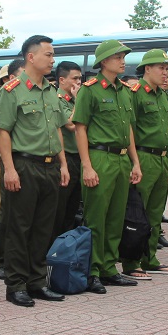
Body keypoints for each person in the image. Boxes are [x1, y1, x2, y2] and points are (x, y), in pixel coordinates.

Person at [0, 35, 69, 307]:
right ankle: (16, 285)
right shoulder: (12, 90)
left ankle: (36, 282)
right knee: (19, 227)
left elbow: (56, 130)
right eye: (48, 55)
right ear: (31, 57)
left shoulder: (50, 91)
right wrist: (10, 170)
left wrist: (62, 163)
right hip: (24, 165)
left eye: (52, 55)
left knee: (42, 228)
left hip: (49, 166)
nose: (52, 59)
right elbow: (3, 131)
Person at [73, 39, 142, 293]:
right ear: (104, 61)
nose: (123, 60)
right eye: (117, 56)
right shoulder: (90, 90)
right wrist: (87, 166)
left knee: (115, 217)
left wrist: (135, 162)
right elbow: (80, 128)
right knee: (96, 218)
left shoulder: (124, 91)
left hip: (122, 159)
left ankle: (109, 268)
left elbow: (129, 130)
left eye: (123, 56)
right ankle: (91, 272)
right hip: (99, 157)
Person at [122, 48, 168, 279]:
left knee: (155, 214)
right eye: (161, 68)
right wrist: (135, 162)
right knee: (138, 214)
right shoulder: (135, 93)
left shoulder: (164, 96)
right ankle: (131, 262)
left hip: (162, 159)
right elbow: (129, 129)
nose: (166, 73)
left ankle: (149, 258)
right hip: (143, 157)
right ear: (147, 69)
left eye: (167, 69)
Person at [0, 58, 24, 274]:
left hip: (26, 161)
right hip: (5, 160)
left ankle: (13, 258)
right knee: (3, 212)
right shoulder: (3, 97)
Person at [52, 61, 83, 239]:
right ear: (62, 80)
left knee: (73, 206)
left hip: (79, 157)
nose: (78, 82)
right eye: (74, 78)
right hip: (65, 158)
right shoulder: (58, 100)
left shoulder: (72, 100)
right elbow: (71, 124)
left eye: (80, 78)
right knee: (61, 207)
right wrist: (79, 100)